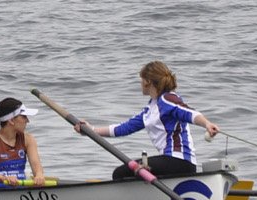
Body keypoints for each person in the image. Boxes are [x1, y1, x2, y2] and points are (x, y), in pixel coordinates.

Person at [75, 60, 219, 179]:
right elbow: (123, 128)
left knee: (120, 173)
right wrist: (90, 130)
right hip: (170, 162)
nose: (140, 83)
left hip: (179, 161)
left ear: (148, 81)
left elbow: (189, 113)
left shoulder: (167, 99)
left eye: (141, 80)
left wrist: (206, 124)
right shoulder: (150, 109)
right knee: (124, 172)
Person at [0, 97, 46, 188]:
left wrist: (39, 175)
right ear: (11, 120)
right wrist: (3, 178)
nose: (28, 121)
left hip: (21, 192)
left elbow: (36, 166)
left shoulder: (28, 139)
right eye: (24, 117)